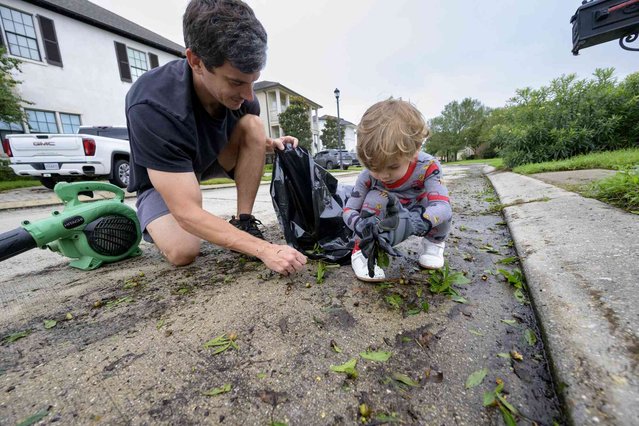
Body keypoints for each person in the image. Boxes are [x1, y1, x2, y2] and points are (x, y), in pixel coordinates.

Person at [125, 0, 307, 276]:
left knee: (253, 125)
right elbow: (186, 211)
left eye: (253, 81)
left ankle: (242, 221)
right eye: (236, 82)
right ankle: (147, 218)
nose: (248, 95)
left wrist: (269, 144)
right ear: (196, 62)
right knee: (183, 251)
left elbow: (243, 139)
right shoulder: (152, 105)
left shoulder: (243, 99)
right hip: (162, 179)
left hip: (208, 159)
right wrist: (263, 249)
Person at [343, 98, 452, 282]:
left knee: (440, 211)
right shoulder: (367, 177)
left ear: (415, 149)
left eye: (393, 167)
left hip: (417, 213)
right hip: (384, 218)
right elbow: (349, 210)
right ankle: (362, 251)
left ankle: (433, 244)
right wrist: (360, 226)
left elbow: (443, 205)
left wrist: (420, 221)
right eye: (374, 167)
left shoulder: (428, 166)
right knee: (375, 197)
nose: (383, 175)